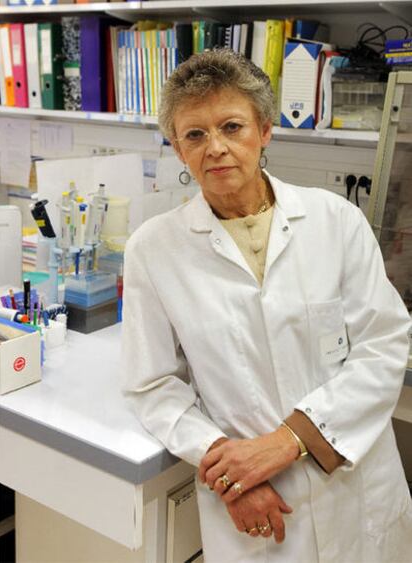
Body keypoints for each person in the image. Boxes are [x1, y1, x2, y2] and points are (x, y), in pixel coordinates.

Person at [122, 49, 412, 562]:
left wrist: (288, 442)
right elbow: (154, 385)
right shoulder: (154, 248)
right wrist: (231, 473)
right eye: (194, 135)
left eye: (232, 126)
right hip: (259, 508)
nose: (215, 148)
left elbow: (385, 345)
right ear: (176, 148)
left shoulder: (334, 221)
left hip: (357, 488)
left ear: (264, 130)